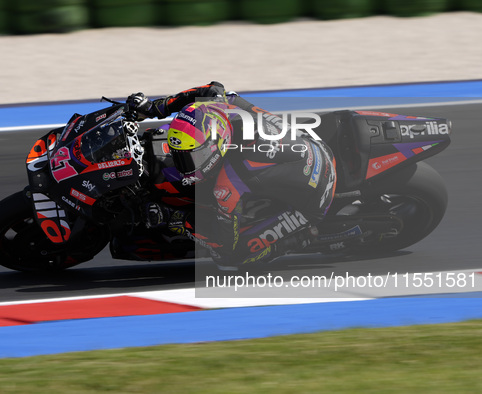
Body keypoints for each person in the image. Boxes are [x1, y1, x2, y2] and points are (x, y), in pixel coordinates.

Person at [126, 82, 336, 270]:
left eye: (190, 157)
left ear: (213, 146)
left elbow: (224, 242)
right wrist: (156, 108)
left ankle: (302, 237)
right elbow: (210, 88)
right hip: (308, 140)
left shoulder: (229, 182)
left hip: (317, 194)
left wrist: (174, 218)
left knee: (230, 257)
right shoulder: (220, 104)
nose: (183, 165)